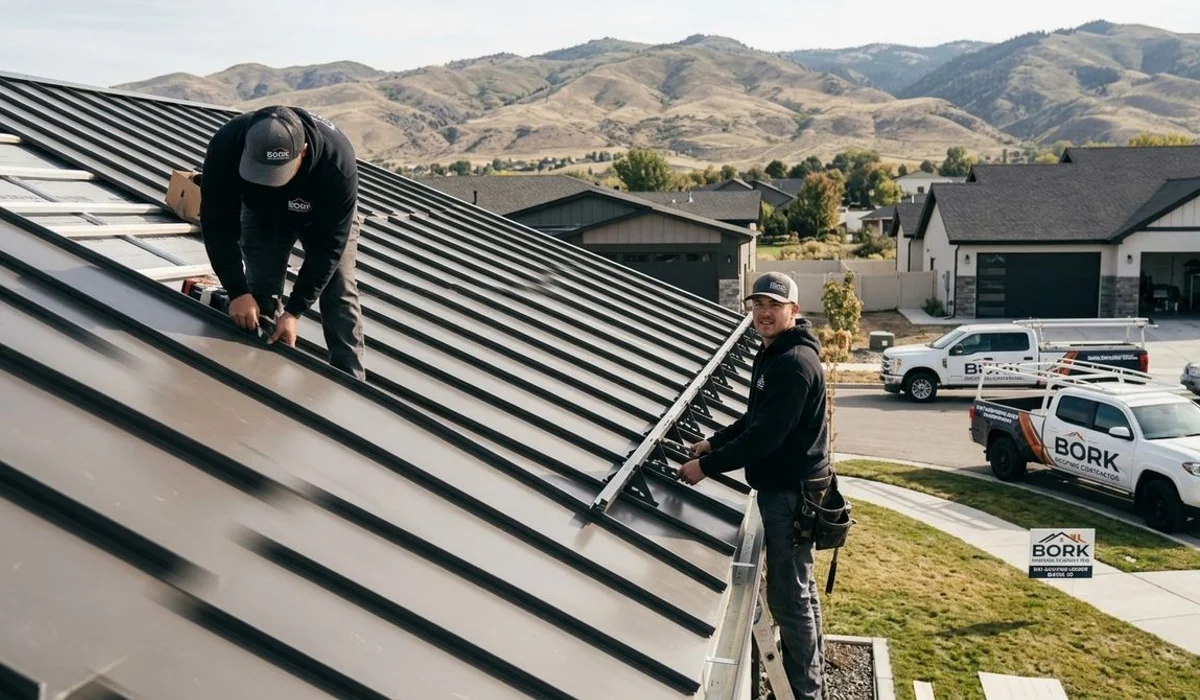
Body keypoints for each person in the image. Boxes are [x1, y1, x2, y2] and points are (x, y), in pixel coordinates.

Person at [678, 271, 830, 700]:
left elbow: (766, 438)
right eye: (758, 304)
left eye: (774, 306)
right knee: (802, 591)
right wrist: (713, 442)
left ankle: (806, 692)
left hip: (791, 495)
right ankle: (812, 679)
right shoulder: (773, 353)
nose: (763, 313)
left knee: (788, 599)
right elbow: (755, 419)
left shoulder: (794, 365)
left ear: (794, 312)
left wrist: (706, 468)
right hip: (788, 489)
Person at [199, 104, 365, 379]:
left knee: (339, 289)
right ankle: (257, 374)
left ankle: (351, 378)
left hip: (321, 215)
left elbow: (329, 248)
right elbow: (217, 223)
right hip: (263, 214)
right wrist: (237, 291)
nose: (269, 181)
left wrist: (294, 312)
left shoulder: (337, 164)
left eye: (275, 173)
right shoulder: (227, 145)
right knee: (259, 295)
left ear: (303, 152)